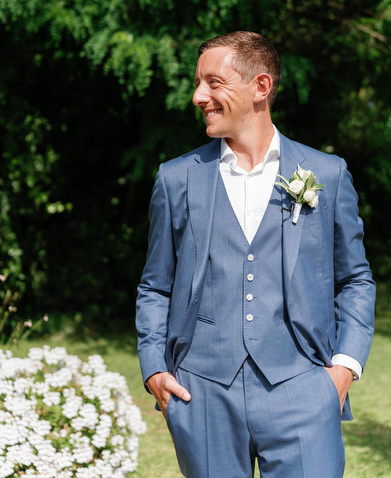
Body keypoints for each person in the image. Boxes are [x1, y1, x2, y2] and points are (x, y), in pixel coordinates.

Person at [136, 31, 375, 478]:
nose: (198, 96)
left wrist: (343, 369)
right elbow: (155, 286)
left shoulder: (327, 173)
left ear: (260, 87)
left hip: (304, 388)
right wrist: (154, 370)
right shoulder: (176, 178)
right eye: (198, 83)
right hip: (201, 393)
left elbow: (355, 279)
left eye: (213, 83)